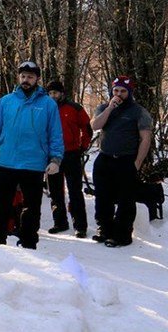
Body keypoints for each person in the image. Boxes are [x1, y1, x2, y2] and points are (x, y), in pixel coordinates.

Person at [0, 61, 64, 249]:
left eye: (30, 77)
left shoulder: (48, 104)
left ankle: (28, 242)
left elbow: (55, 133)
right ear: (19, 78)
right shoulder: (6, 101)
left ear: (37, 79)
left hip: (33, 164)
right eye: (23, 76)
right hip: (6, 162)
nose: (26, 80)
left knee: (32, 208)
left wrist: (55, 159)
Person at [89, 75, 154, 247]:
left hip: (126, 160)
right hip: (105, 159)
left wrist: (137, 163)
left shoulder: (139, 111)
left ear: (129, 92)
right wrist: (109, 109)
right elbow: (95, 126)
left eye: (123, 91)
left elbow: (145, 138)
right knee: (103, 197)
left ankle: (122, 234)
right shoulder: (104, 107)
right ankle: (105, 229)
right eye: (116, 90)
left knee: (126, 200)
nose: (119, 94)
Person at [45, 80, 93, 238]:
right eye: (50, 93)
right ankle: (60, 222)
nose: (53, 96)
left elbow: (87, 127)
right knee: (55, 191)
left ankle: (80, 226)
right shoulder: (44, 109)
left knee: (75, 191)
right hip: (52, 156)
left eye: (56, 93)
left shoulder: (74, 108)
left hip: (71, 153)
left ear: (62, 93)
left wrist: (83, 146)